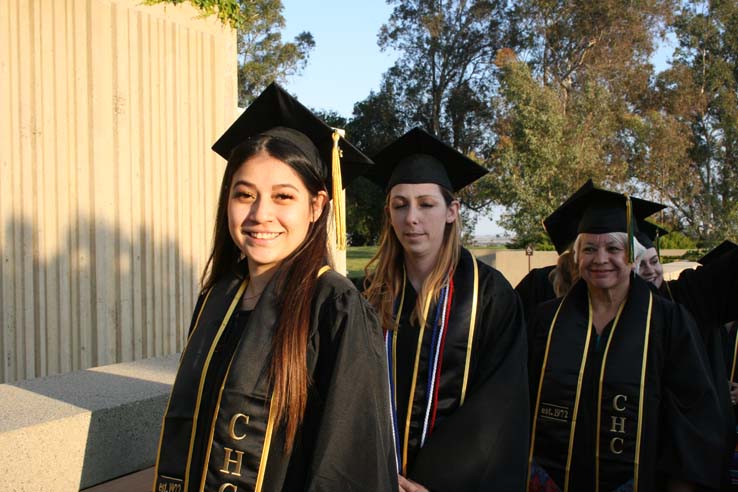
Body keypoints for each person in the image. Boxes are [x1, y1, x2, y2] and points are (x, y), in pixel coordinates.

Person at [152, 83, 398, 492]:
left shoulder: (336, 308)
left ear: (317, 206)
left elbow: (348, 467)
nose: (260, 213)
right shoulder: (219, 297)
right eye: (244, 194)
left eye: (284, 196)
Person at [361, 127, 529, 491]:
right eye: (399, 204)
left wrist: (430, 483)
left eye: (426, 204)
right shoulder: (369, 295)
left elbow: (498, 408)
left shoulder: (489, 295)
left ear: (452, 211)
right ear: (388, 213)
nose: (411, 218)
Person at [528, 184, 724, 491]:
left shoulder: (668, 322)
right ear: (577, 257)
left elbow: (693, 416)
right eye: (589, 249)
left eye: (613, 249)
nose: (600, 259)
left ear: (631, 256)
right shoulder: (546, 321)